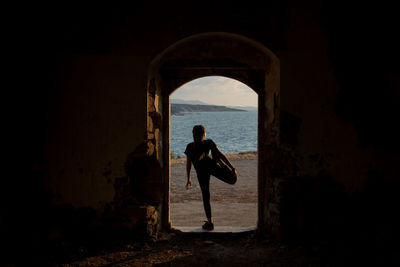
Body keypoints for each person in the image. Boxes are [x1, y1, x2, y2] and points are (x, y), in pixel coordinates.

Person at [184, 125, 238, 230]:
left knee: (206, 196)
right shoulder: (208, 143)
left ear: (193, 134)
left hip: (201, 172)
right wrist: (232, 168)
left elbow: (188, 164)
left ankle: (210, 223)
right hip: (212, 166)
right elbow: (221, 155)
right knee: (232, 180)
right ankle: (218, 161)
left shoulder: (190, 147)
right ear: (204, 134)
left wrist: (188, 178)